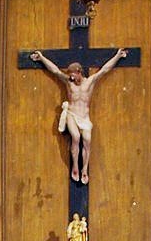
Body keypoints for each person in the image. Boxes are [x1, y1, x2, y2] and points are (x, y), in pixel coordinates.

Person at [30, 47, 127, 183]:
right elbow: (55, 70)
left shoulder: (90, 81)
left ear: (79, 72)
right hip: (72, 114)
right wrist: (41, 58)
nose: (71, 77)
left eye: (73, 75)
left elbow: (105, 69)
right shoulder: (68, 83)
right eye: (70, 75)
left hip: (84, 117)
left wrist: (118, 56)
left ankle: (84, 169)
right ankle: (75, 166)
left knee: (87, 140)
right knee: (75, 137)